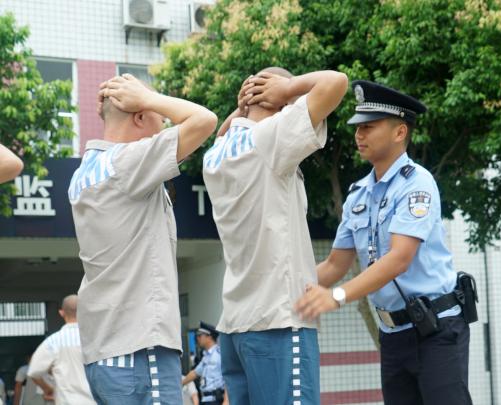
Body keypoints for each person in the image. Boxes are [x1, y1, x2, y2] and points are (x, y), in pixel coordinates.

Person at [295, 80, 473, 405]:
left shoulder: (417, 184)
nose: (358, 135)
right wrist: (290, 289)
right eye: (357, 128)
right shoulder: (357, 194)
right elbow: (336, 264)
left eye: (369, 127)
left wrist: (337, 296)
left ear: (399, 132)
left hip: (437, 330)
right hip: (392, 335)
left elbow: (398, 259)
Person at [201, 67, 348, 405]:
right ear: (281, 103)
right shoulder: (269, 137)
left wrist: (243, 107)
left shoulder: (216, 155)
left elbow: (227, 129)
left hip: (237, 325)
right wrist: (289, 88)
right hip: (279, 321)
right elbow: (336, 83)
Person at [68, 74, 218, 405]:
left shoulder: (83, 173)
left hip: (104, 352)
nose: (163, 124)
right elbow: (205, 120)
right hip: (140, 349)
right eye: (157, 118)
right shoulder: (128, 161)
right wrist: (148, 97)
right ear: (138, 115)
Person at [27, 295, 95, 405]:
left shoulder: (53, 342)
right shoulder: (95, 340)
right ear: (84, 311)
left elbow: (34, 372)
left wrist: (48, 389)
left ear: (61, 313)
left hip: (66, 401)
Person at [182, 322, 226, 405]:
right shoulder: (206, 356)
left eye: (199, 335)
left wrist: (227, 401)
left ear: (209, 336)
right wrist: (180, 384)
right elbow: (195, 373)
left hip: (216, 400)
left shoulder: (219, 355)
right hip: (205, 400)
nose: (197, 338)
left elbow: (228, 378)